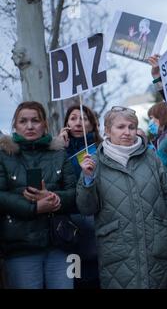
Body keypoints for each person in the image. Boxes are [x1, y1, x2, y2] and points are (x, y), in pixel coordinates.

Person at [76, 106, 167, 289]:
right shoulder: (93, 162)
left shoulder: (151, 157)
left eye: (132, 127)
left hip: (158, 248)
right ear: (107, 131)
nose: (127, 132)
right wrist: (87, 179)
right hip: (118, 254)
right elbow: (86, 208)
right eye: (120, 127)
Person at [0, 101, 76, 289]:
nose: (30, 126)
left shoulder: (59, 154)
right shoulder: (3, 155)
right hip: (20, 247)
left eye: (35, 120)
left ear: (45, 124)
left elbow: (75, 193)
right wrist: (34, 208)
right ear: (15, 125)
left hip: (61, 244)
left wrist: (54, 199)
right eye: (23, 121)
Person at [58, 104, 102, 289]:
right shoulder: (58, 152)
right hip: (70, 224)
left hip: (97, 219)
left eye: (84, 118)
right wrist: (60, 148)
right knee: (76, 278)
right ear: (66, 123)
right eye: (73, 118)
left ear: (92, 124)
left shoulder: (101, 149)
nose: (78, 122)